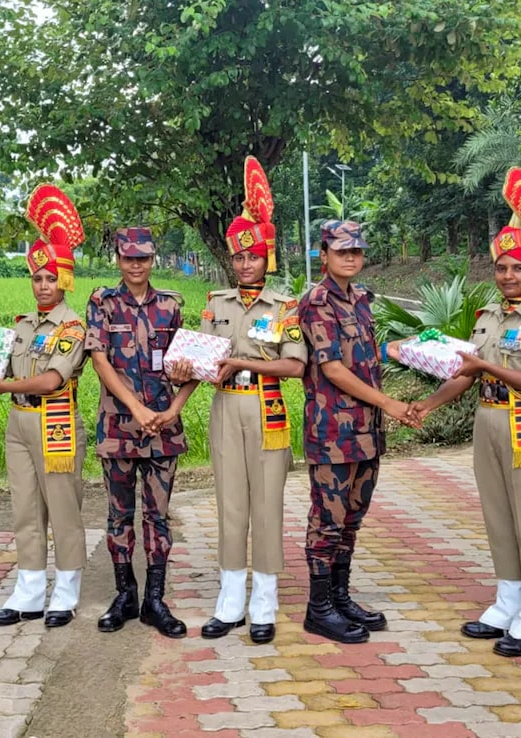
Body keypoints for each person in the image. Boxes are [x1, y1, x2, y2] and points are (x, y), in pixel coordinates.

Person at [408, 168, 521, 657]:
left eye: (517, 268)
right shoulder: (489, 318)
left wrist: (484, 365)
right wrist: (426, 405)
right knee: (498, 516)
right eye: (502, 268)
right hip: (489, 421)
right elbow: (466, 372)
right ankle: (508, 601)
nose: (508, 276)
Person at [0, 184, 90, 628]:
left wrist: (3, 384)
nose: (42, 285)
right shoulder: (22, 326)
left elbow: (50, 379)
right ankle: (27, 592)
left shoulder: (73, 327)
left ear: (63, 280)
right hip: (19, 422)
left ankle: (65, 592)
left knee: (62, 510)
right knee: (24, 510)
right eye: (37, 278)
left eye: (50, 279)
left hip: (56, 421)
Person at [198, 157, 306, 644]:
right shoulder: (215, 304)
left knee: (266, 505)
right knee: (230, 505)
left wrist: (245, 363)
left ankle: (264, 600)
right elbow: (202, 359)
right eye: (238, 258)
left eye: (254, 256)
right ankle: (230, 598)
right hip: (225, 408)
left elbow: (294, 366)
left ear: (268, 257)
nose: (245, 264)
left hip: (267, 409)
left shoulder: (285, 308)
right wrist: (187, 366)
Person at [298, 219, 418, 644]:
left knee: (352, 518)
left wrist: (400, 349)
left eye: (356, 251)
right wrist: (390, 404)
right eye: (341, 251)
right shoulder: (317, 302)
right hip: (332, 430)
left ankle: (340, 596)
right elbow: (331, 368)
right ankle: (318, 608)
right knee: (327, 520)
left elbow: (361, 354)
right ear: (324, 254)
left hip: (367, 431)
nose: (350, 257)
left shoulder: (361, 299)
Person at [86, 226, 197, 639]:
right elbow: (100, 360)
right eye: (129, 257)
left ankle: (155, 598)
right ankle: (125, 594)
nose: (136, 265)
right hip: (118, 426)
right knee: (119, 515)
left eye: (143, 258)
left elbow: (192, 365)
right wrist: (136, 408)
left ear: (153, 259)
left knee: (157, 516)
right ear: (118, 258)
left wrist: (172, 409)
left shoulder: (170, 306)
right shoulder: (103, 302)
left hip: (163, 429)